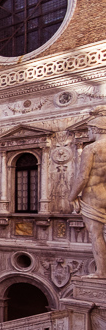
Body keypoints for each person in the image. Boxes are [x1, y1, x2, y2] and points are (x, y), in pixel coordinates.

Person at [70, 111, 106, 276]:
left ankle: (101, 272)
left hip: (93, 196)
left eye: (90, 129)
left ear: (97, 129)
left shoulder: (91, 148)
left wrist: (72, 197)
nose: (89, 133)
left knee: (96, 234)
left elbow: (83, 177)